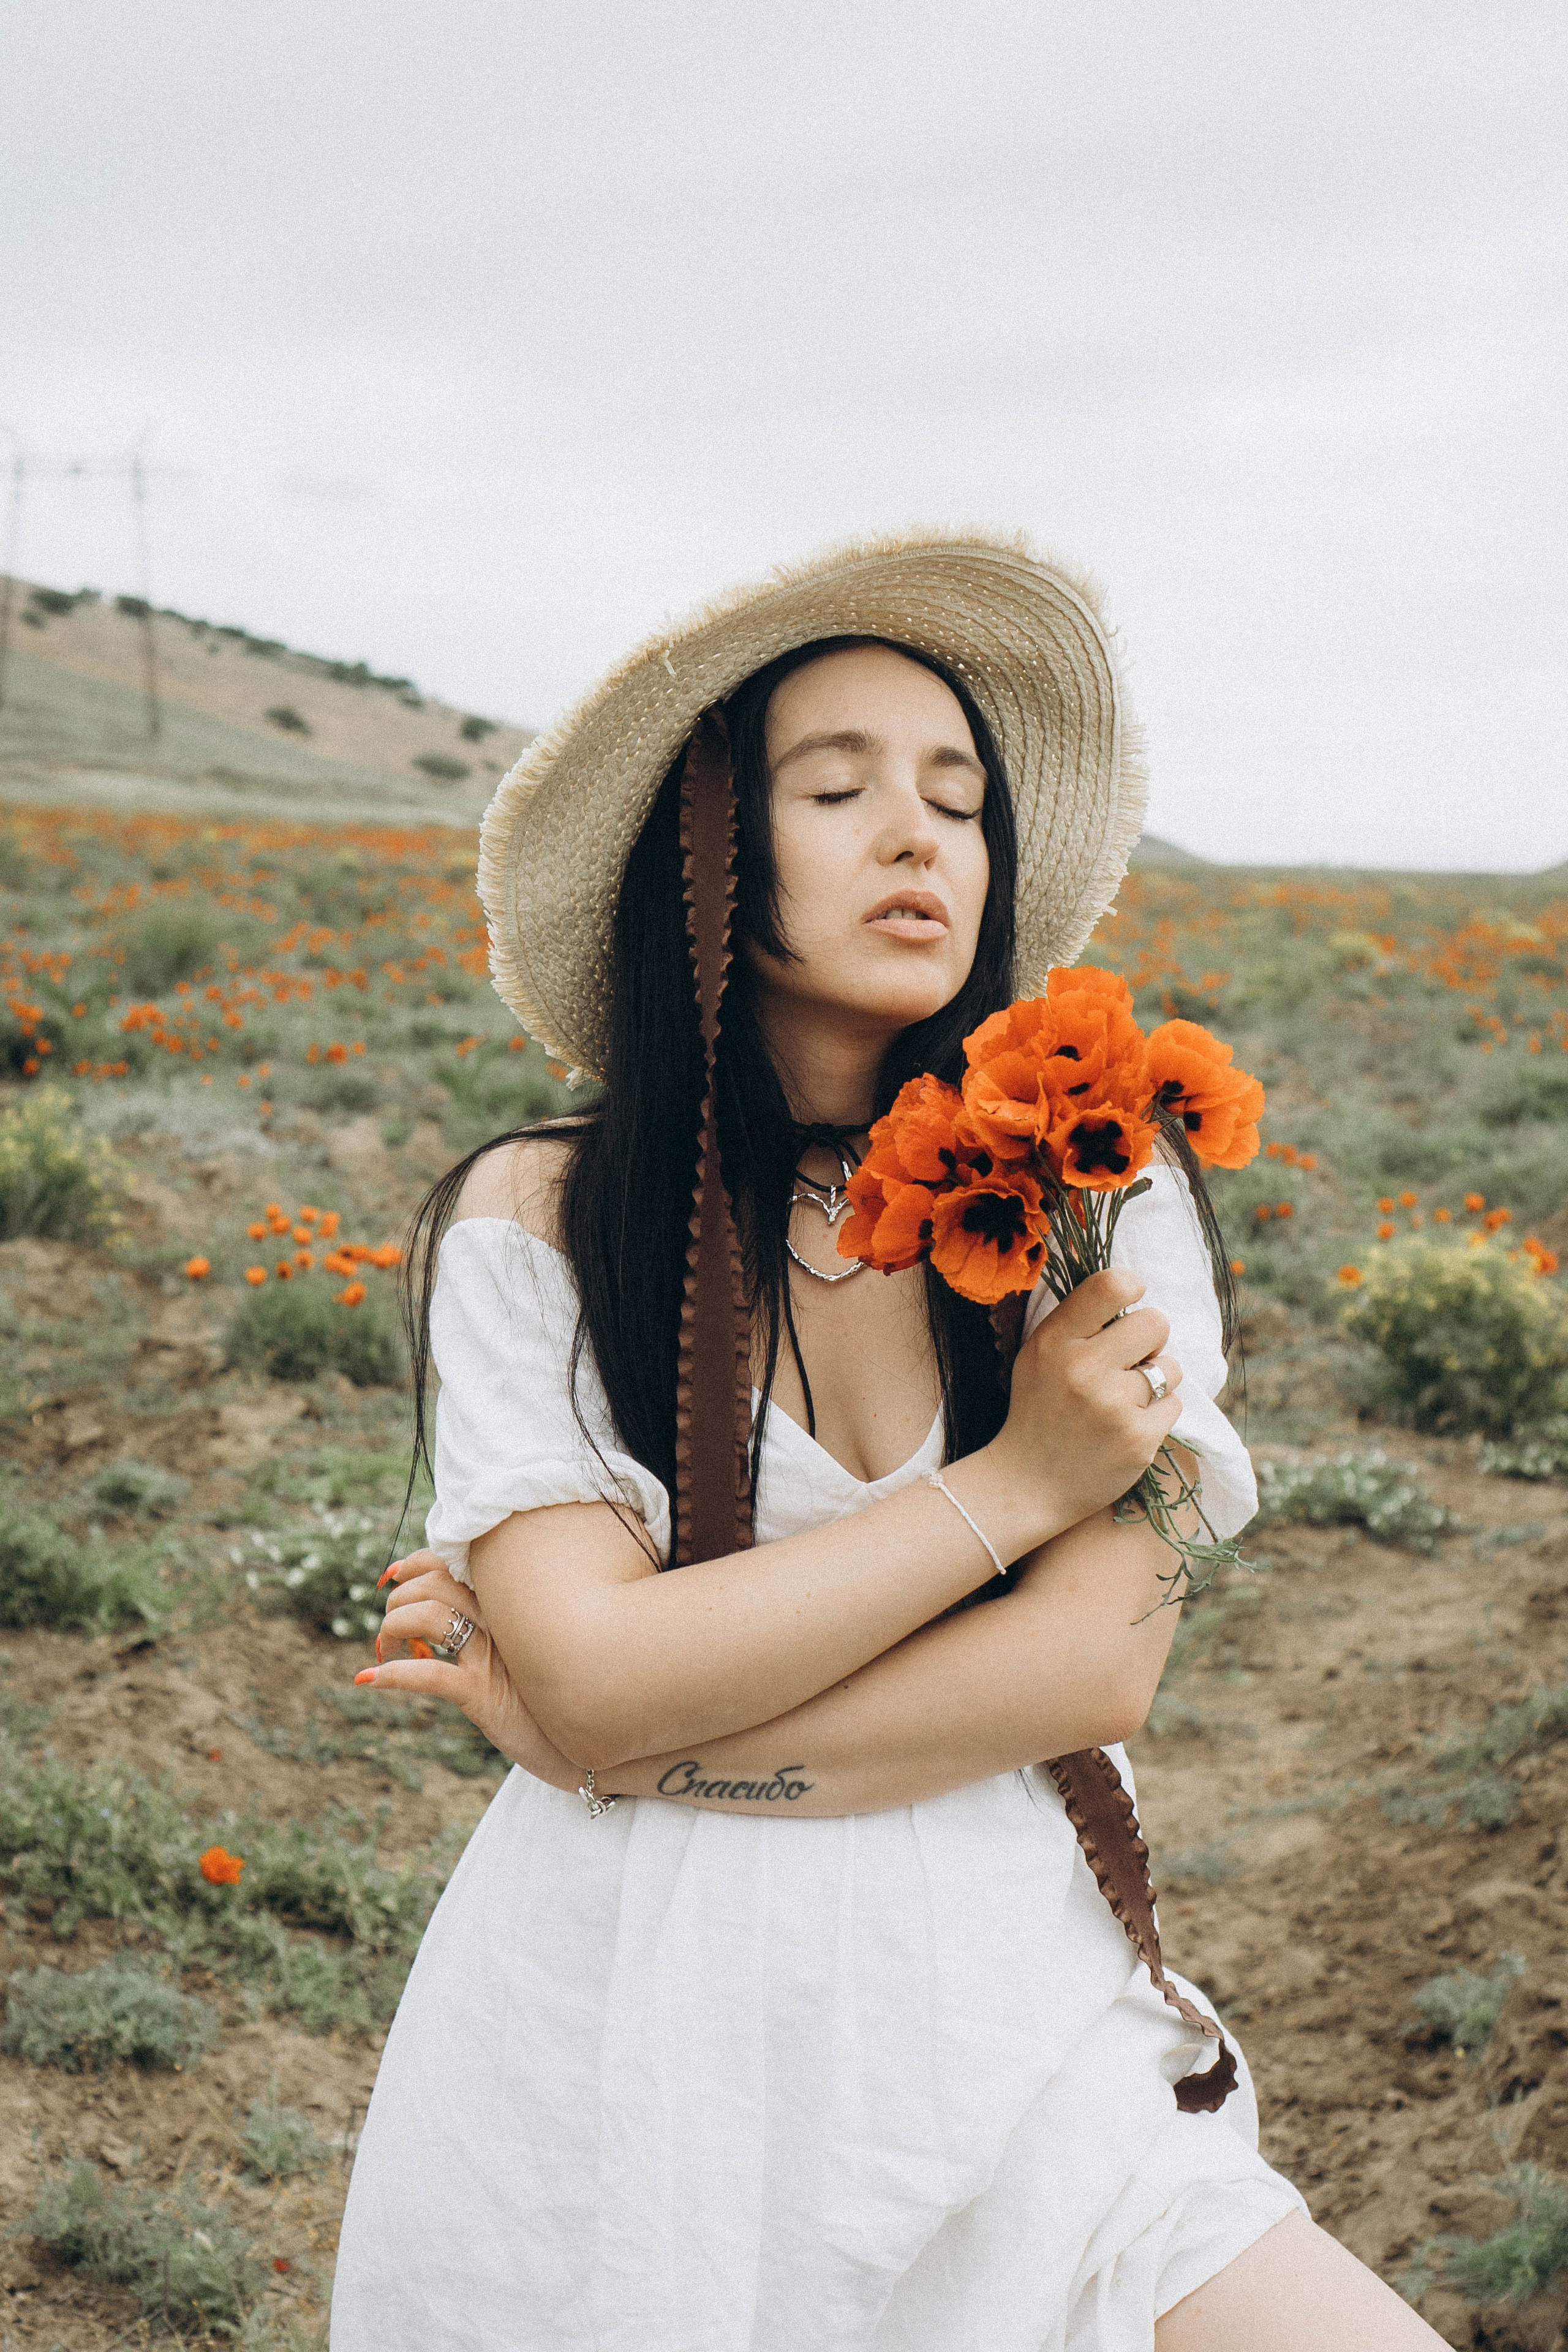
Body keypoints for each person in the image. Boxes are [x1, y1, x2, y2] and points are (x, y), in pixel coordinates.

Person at [330, 535, 1444, 2349]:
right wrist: (1016, 1487)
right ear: (706, 854)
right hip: (637, 2030)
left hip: (1013, 2000)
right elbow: (603, 1676)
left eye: (958, 798)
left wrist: (628, 1742)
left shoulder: (1107, 1186)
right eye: (837, 788)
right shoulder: (537, 1219)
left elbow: (1091, 1665)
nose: (919, 834)